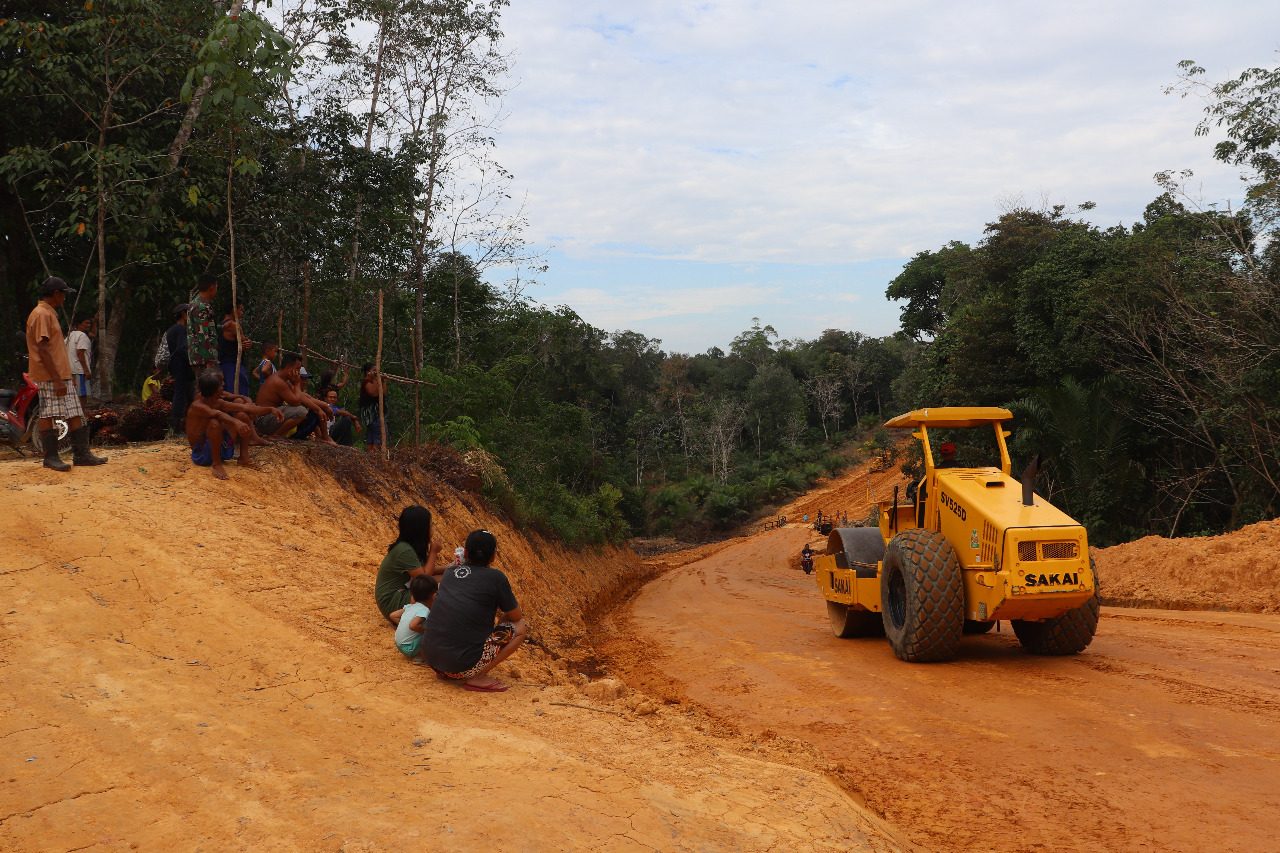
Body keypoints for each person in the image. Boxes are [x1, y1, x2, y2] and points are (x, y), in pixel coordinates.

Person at [424, 529, 527, 693]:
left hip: (433, 661)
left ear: (465, 552)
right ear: (493, 557)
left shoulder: (450, 573)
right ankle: (478, 677)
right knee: (519, 628)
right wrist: (502, 616)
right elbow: (516, 616)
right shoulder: (496, 578)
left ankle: (447, 671)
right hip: (461, 667)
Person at [25, 277, 107, 471]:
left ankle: (81, 454)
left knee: (75, 410)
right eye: (63, 294)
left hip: (60, 373)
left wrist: (66, 374)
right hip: (49, 374)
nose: (64, 298)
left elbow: (54, 349)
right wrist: (56, 377)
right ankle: (50, 457)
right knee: (48, 413)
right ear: (57, 294)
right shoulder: (41, 314)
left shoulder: (48, 313)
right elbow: (43, 349)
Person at [375, 505, 444, 623]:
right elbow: (424, 579)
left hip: (402, 591)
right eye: (431, 525)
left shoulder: (410, 546)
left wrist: (449, 568)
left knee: (445, 579)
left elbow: (424, 570)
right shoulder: (404, 550)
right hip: (392, 601)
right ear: (421, 529)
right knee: (439, 588)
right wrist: (433, 552)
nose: (432, 528)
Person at [186, 370, 257, 480]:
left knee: (242, 415)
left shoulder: (216, 399)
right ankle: (216, 463)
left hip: (219, 446)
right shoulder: (199, 403)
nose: (223, 385)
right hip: (202, 452)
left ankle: (244, 457)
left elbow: (242, 407)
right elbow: (216, 414)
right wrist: (236, 422)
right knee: (215, 422)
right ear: (214, 389)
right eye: (220, 383)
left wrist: (271, 410)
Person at [253, 353, 326, 438]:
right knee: (301, 411)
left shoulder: (283, 380)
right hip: (264, 421)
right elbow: (296, 402)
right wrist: (297, 384)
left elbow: (301, 396)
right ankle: (276, 435)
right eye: (297, 369)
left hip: (269, 418)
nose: (298, 372)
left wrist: (318, 409)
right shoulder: (278, 381)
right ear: (288, 367)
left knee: (304, 410)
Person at [394, 574, 439, 665]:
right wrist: (427, 631)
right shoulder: (424, 610)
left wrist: (404, 625)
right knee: (433, 630)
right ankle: (421, 657)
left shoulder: (410, 607)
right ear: (434, 596)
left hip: (399, 644)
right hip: (409, 648)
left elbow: (393, 615)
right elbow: (413, 625)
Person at [165, 303, 193, 435]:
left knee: (185, 394)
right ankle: (175, 429)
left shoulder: (172, 329)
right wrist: (194, 359)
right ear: (183, 314)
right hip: (181, 363)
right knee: (181, 394)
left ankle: (184, 426)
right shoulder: (181, 329)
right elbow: (182, 349)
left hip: (177, 363)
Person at [218, 300, 253, 396]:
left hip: (223, 366)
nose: (242, 312)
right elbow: (245, 347)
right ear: (234, 310)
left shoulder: (220, 326)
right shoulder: (234, 325)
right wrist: (248, 344)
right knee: (239, 396)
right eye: (240, 309)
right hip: (234, 366)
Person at [186, 274, 219, 374]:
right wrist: (208, 359)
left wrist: (222, 327)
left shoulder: (195, 303)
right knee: (206, 387)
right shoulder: (200, 307)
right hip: (203, 358)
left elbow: (202, 326)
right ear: (211, 288)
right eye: (216, 287)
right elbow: (202, 334)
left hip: (200, 356)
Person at [66, 314, 93, 410]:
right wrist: (86, 371)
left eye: (89, 323)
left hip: (70, 369)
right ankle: (81, 415)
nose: (88, 325)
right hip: (79, 370)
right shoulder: (82, 336)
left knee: (73, 395)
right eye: (86, 323)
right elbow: (80, 353)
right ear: (79, 324)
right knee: (81, 395)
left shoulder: (70, 335)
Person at [359, 362, 387, 453]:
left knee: (372, 437)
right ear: (368, 372)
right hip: (372, 415)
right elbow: (374, 394)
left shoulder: (374, 382)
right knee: (380, 436)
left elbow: (383, 394)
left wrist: (383, 381)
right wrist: (375, 379)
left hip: (375, 414)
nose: (376, 372)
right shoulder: (366, 382)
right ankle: (374, 457)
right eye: (374, 371)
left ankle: (370, 458)